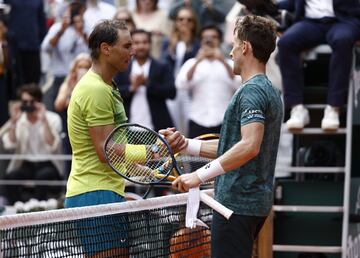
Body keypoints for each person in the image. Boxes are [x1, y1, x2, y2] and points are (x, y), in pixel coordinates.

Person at [162, 15, 283, 258]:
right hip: (250, 204)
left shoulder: (252, 91)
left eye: (234, 45)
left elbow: (249, 146)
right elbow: (235, 146)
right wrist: (188, 145)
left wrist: (198, 175)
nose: (231, 53)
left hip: (236, 205)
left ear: (245, 47)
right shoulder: (267, 89)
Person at [277, 0, 360, 131]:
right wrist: (267, 5)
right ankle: (296, 108)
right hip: (310, 22)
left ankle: (334, 108)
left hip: (343, 20)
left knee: (342, 40)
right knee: (286, 43)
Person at [2, 84, 63, 205]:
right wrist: (13, 122)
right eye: (24, 101)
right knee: (10, 177)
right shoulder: (20, 120)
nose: (28, 105)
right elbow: (9, 144)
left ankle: (40, 209)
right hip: (27, 163)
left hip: (48, 163)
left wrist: (43, 119)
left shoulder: (52, 118)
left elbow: (53, 145)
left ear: (39, 102)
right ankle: (19, 207)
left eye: (32, 101)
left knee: (43, 176)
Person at [175, 24, 240, 138]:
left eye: (214, 37)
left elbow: (238, 84)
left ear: (220, 40)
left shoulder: (230, 64)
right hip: (197, 119)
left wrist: (222, 60)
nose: (209, 40)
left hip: (224, 120)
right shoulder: (191, 63)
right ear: (200, 41)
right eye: (206, 38)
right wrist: (197, 61)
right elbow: (181, 84)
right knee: (195, 156)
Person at [113, 29, 176, 132]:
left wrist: (147, 83)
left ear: (150, 44)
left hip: (157, 129)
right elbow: (113, 93)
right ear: (131, 46)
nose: (141, 46)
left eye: (145, 42)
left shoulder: (162, 66)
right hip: (126, 129)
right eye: (137, 43)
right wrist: (131, 88)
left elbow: (172, 92)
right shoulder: (122, 68)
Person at [41, 1, 88, 111]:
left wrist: (81, 32)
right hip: (61, 77)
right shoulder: (57, 27)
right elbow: (46, 48)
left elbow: (92, 52)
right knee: (60, 110)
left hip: (81, 77)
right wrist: (61, 31)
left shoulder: (84, 27)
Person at [161, 6, 200, 135]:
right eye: (181, 19)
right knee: (173, 124)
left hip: (189, 89)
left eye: (189, 20)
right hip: (172, 88)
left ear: (194, 23)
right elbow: (164, 64)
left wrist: (189, 42)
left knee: (189, 124)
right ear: (176, 22)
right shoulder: (168, 42)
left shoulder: (197, 44)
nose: (185, 22)